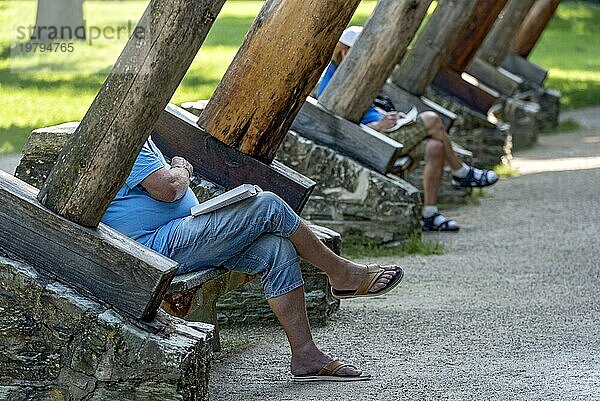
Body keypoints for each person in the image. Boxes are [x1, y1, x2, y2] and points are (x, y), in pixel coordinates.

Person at [101, 137, 404, 382]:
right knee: (268, 205)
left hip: (175, 238)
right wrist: (182, 168)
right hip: (153, 249)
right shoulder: (124, 135)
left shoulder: (141, 135)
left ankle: (305, 355)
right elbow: (168, 188)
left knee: (275, 249)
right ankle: (343, 274)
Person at [317, 26, 499, 232]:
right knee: (431, 119)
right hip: (377, 138)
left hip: (387, 130)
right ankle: (461, 172)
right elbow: (340, 128)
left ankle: (429, 214)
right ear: (344, 53)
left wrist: (389, 116)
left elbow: (365, 108)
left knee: (435, 147)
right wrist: (379, 125)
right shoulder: (330, 83)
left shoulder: (350, 75)